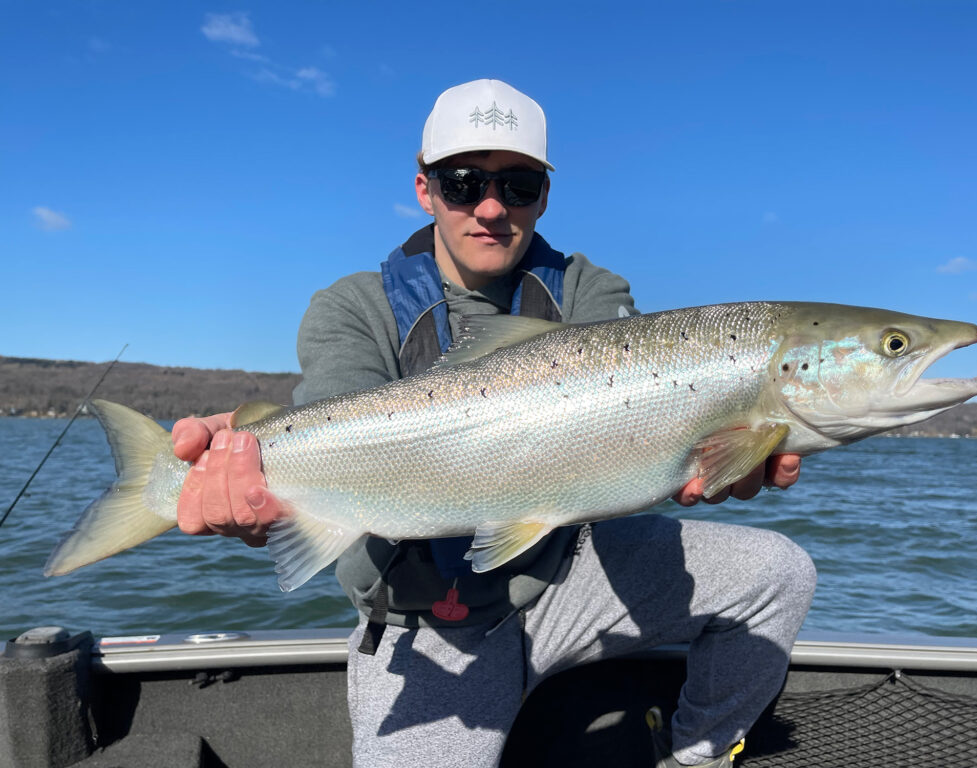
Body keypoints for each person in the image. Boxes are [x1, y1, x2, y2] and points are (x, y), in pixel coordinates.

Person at [171, 79, 816, 768]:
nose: (489, 207)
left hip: (567, 572)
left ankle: (695, 756)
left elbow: (650, 403)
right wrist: (260, 481)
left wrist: (720, 450)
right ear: (424, 190)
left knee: (776, 573)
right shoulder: (351, 307)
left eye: (517, 185)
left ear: (544, 194)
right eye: (462, 182)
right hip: (424, 627)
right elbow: (339, 417)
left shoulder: (590, 291)